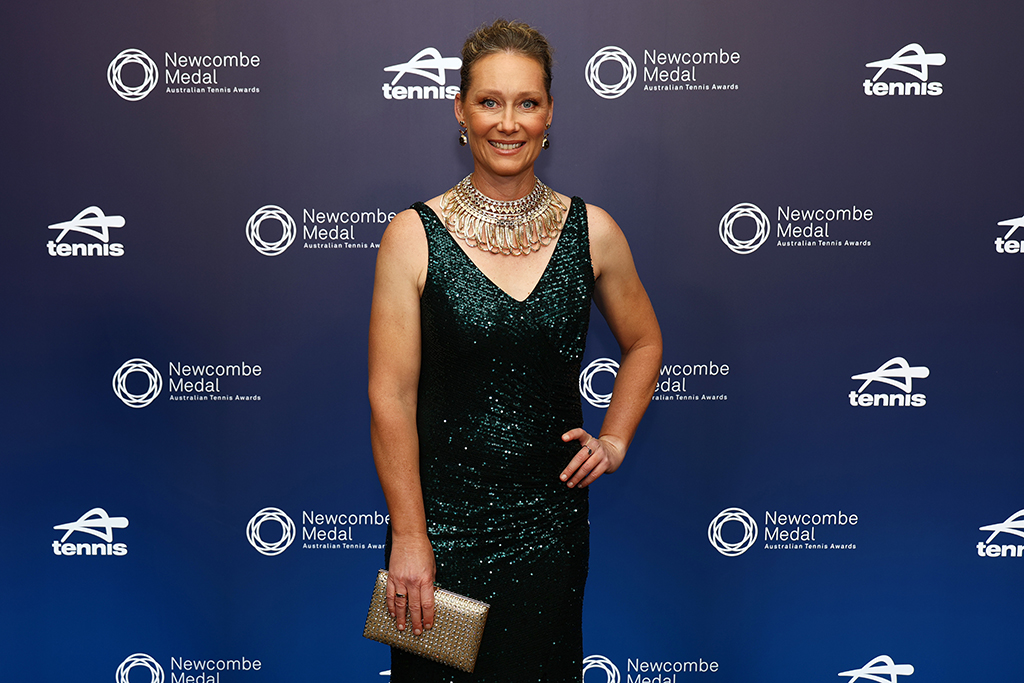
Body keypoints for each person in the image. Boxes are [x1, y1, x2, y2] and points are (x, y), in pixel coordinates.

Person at [368, 19, 662, 682]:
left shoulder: (595, 232)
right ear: (461, 110)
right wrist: (411, 537)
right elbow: (390, 397)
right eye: (490, 101)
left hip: (548, 529)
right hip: (439, 531)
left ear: (550, 112)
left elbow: (644, 340)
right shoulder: (412, 236)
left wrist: (613, 440)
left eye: (527, 102)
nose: (509, 122)